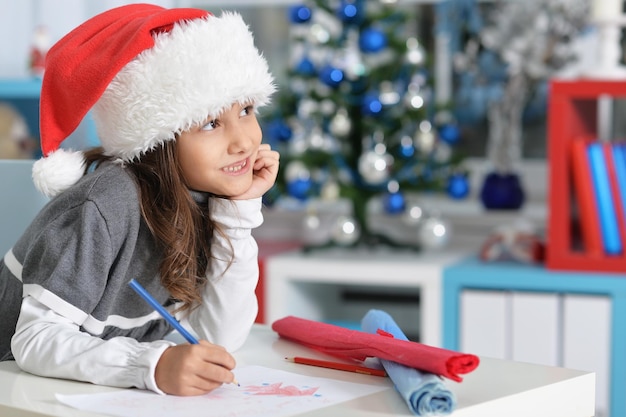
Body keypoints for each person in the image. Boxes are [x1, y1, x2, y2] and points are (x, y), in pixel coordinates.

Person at [0, 4, 278, 397]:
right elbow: (33, 340)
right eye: (211, 123)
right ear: (158, 140)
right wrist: (149, 364)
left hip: (88, 392)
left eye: (247, 110)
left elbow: (218, 337)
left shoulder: (199, 195)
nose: (245, 141)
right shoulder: (105, 205)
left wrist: (239, 211)